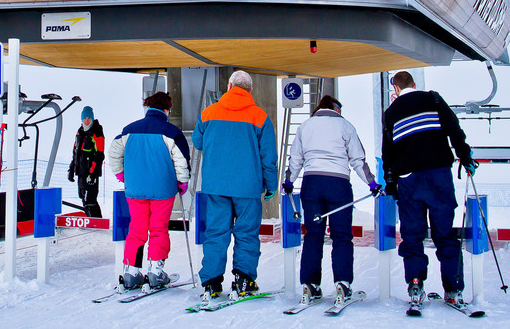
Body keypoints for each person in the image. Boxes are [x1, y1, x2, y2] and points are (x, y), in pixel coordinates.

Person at [381, 70, 476, 308]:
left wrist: (390, 182)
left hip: (409, 179)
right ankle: (453, 288)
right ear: (414, 84)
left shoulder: (391, 113)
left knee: (412, 235)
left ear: (396, 90)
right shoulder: (433, 99)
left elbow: (388, 152)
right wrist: (465, 158)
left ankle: (415, 284)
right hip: (438, 175)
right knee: (444, 233)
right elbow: (454, 130)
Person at [284, 94, 381, 304]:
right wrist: (372, 184)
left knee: (313, 235)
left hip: (312, 184)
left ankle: (310, 284)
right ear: (336, 109)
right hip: (338, 185)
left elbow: (295, 160)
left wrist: (289, 182)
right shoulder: (346, 126)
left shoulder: (305, 127)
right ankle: (343, 283)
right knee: (342, 236)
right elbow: (358, 160)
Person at [193, 70, 278, 300]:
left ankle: (211, 283)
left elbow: (198, 142)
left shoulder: (208, 113)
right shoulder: (259, 117)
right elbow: (268, 157)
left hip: (216, 186)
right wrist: (271, 185)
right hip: (248, 188)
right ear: (250, 90)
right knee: (247, 234)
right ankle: (244, 280)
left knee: (215, 233)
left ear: (229, 86)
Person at [109, 91, 191, 290]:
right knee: (158, 228)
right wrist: (182, 182)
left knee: (136, 229)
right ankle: (155, 272)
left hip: (135, 189)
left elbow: (113, 154)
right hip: (163, 190)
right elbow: (181, 161)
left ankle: (131, 273)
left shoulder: (129, 130)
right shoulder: (171, 132)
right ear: (166, 109)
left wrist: (122, 175)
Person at [67, 106, 105, 217]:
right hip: (81, 171)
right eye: (84, 118)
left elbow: (99, 155)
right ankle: (90, 220)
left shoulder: (97, 132)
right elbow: (75, 152)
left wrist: (93, 174)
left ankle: (96, 221)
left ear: (92, 119)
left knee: (90, 199)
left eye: (89, 118)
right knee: (83, 197)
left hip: (90, 173)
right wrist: (72, 169)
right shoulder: (80, 132)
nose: (86, 121)